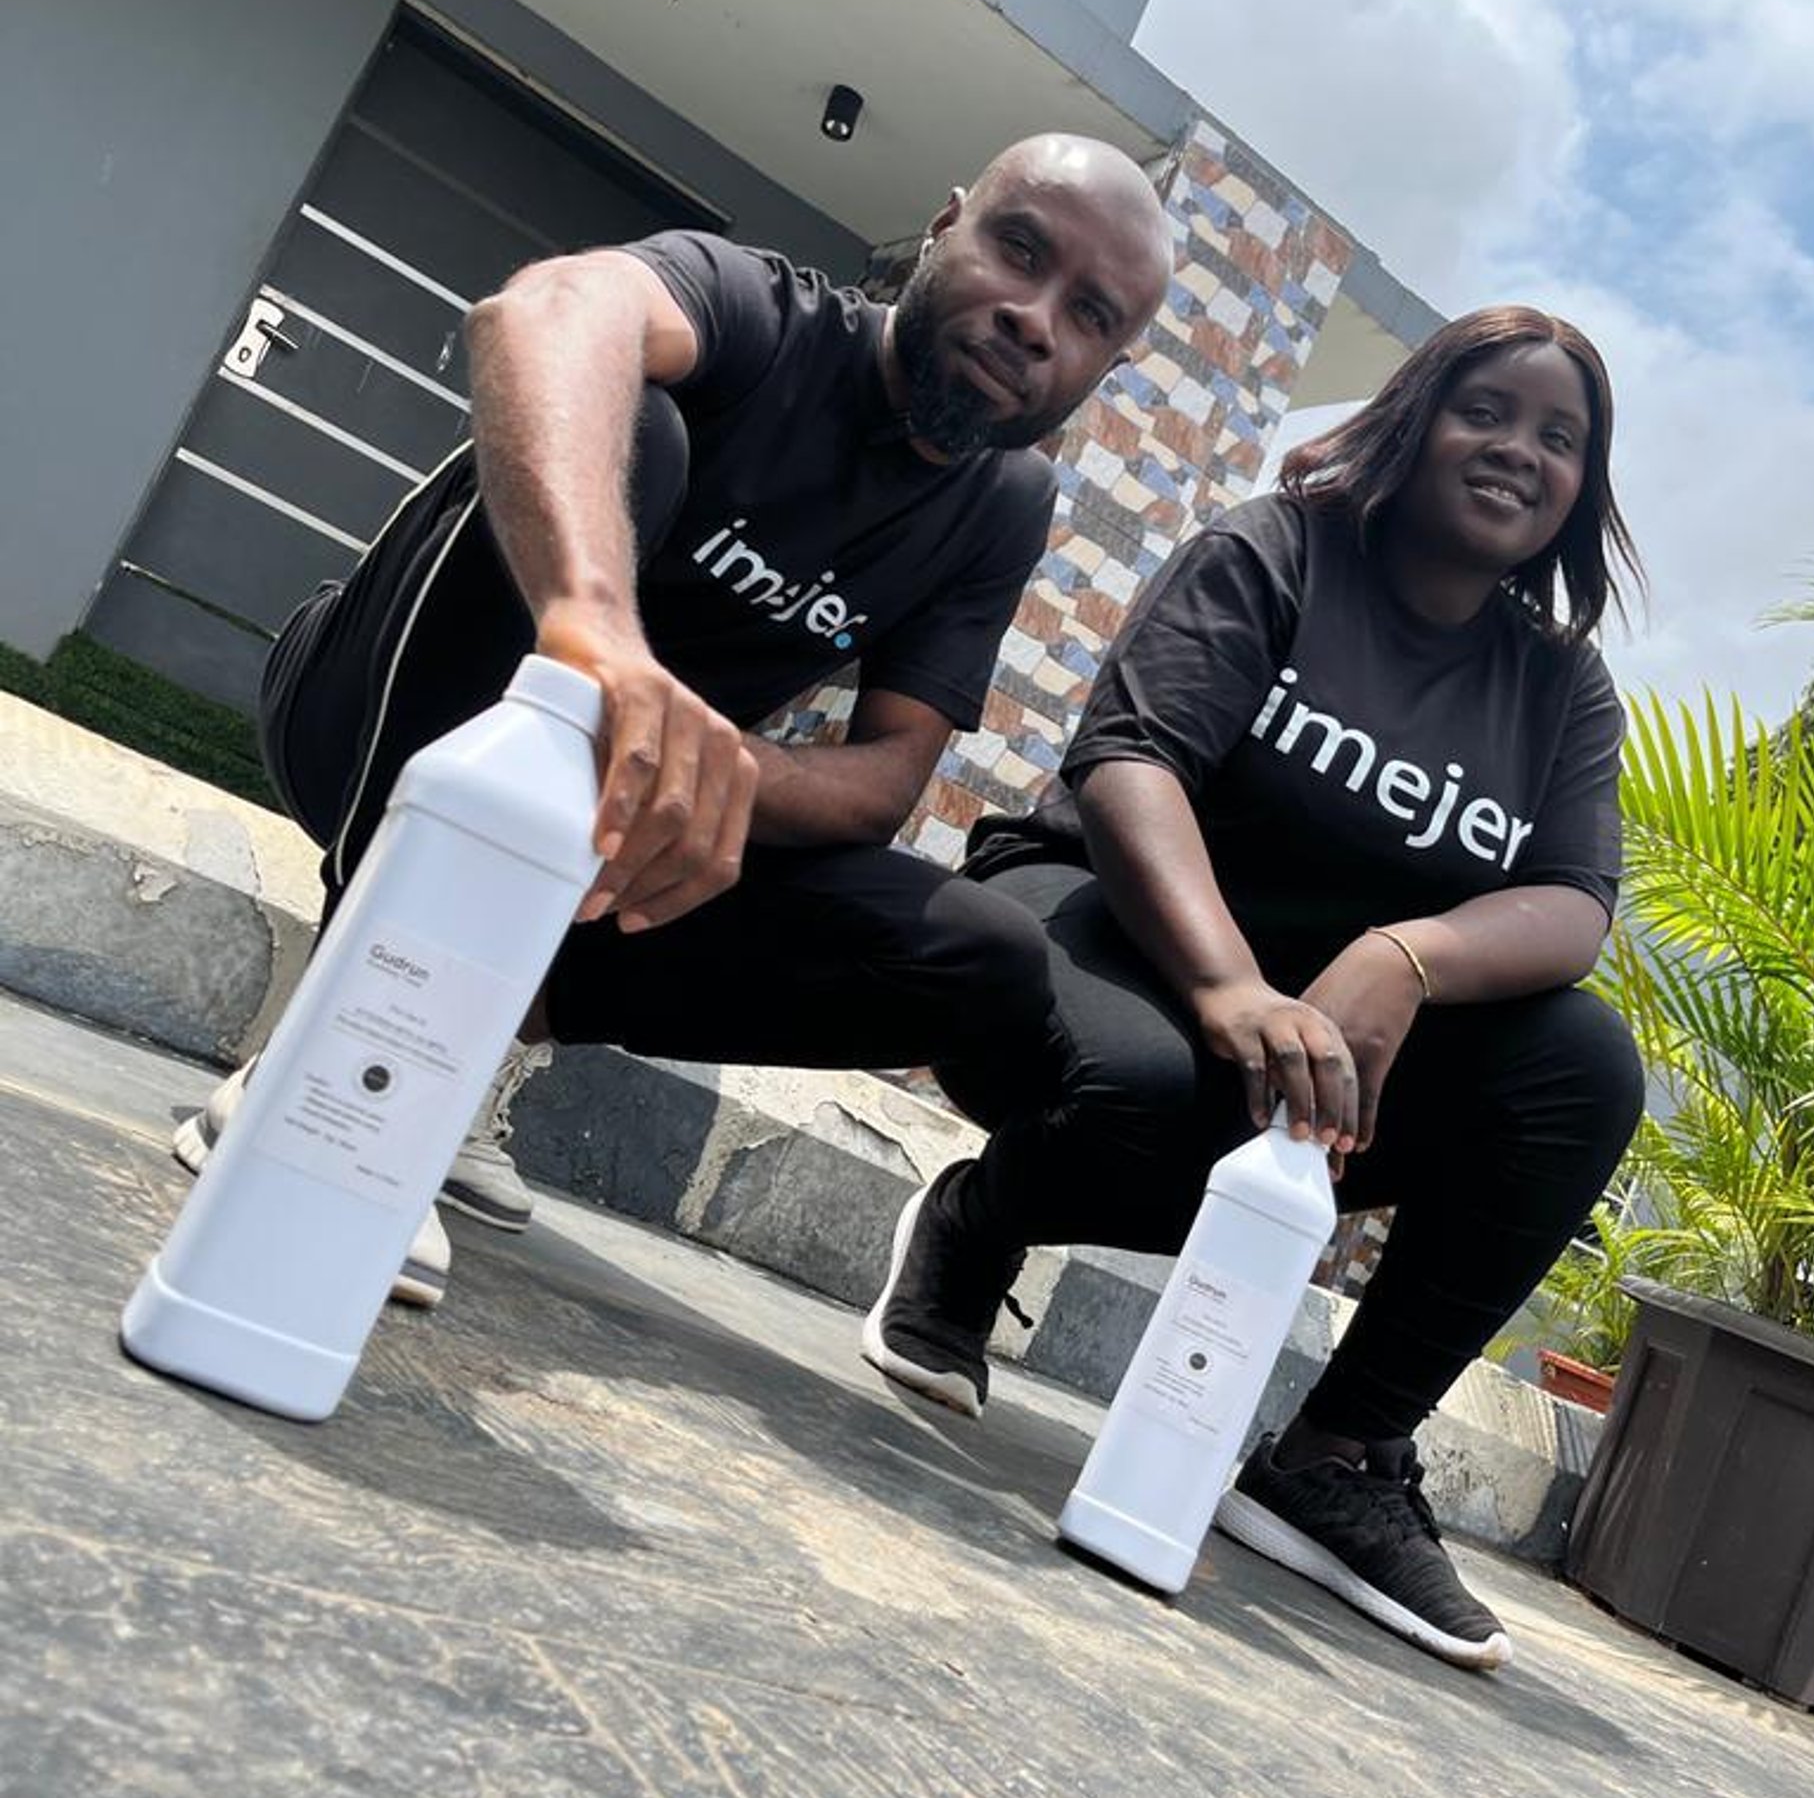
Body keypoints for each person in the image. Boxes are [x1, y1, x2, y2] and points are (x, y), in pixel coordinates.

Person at [176, 135, 1174, 1305]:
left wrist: (703, 756)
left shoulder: (1002, 505)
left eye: (1091, 313)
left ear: (1110, 360)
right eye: (1018, 249)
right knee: (634, 424)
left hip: (602, 832)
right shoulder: (762, 311)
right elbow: (539, 312)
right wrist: (596, 637)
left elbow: (885, 779)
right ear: (946, 223)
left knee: (986, 958)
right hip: (382, 726)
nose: (1034, 318)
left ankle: (480, 1028)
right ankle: (339, 1031)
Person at [862, 306, 1647, 1671]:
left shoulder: (1559, 685)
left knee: (1582, 1065)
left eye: (1559, 437)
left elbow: (1576, 906)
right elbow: (1129, 765)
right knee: (1146, 1090)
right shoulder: (1276, 551)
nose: (1519, 450)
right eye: (1487, 412)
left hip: (1329, 1035)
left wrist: (1405, 957)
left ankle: (1336, 1458)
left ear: (1584, 484)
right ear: (1415, 419)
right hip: (1116, 928)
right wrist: (1228, 983)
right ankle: (979, 1222)